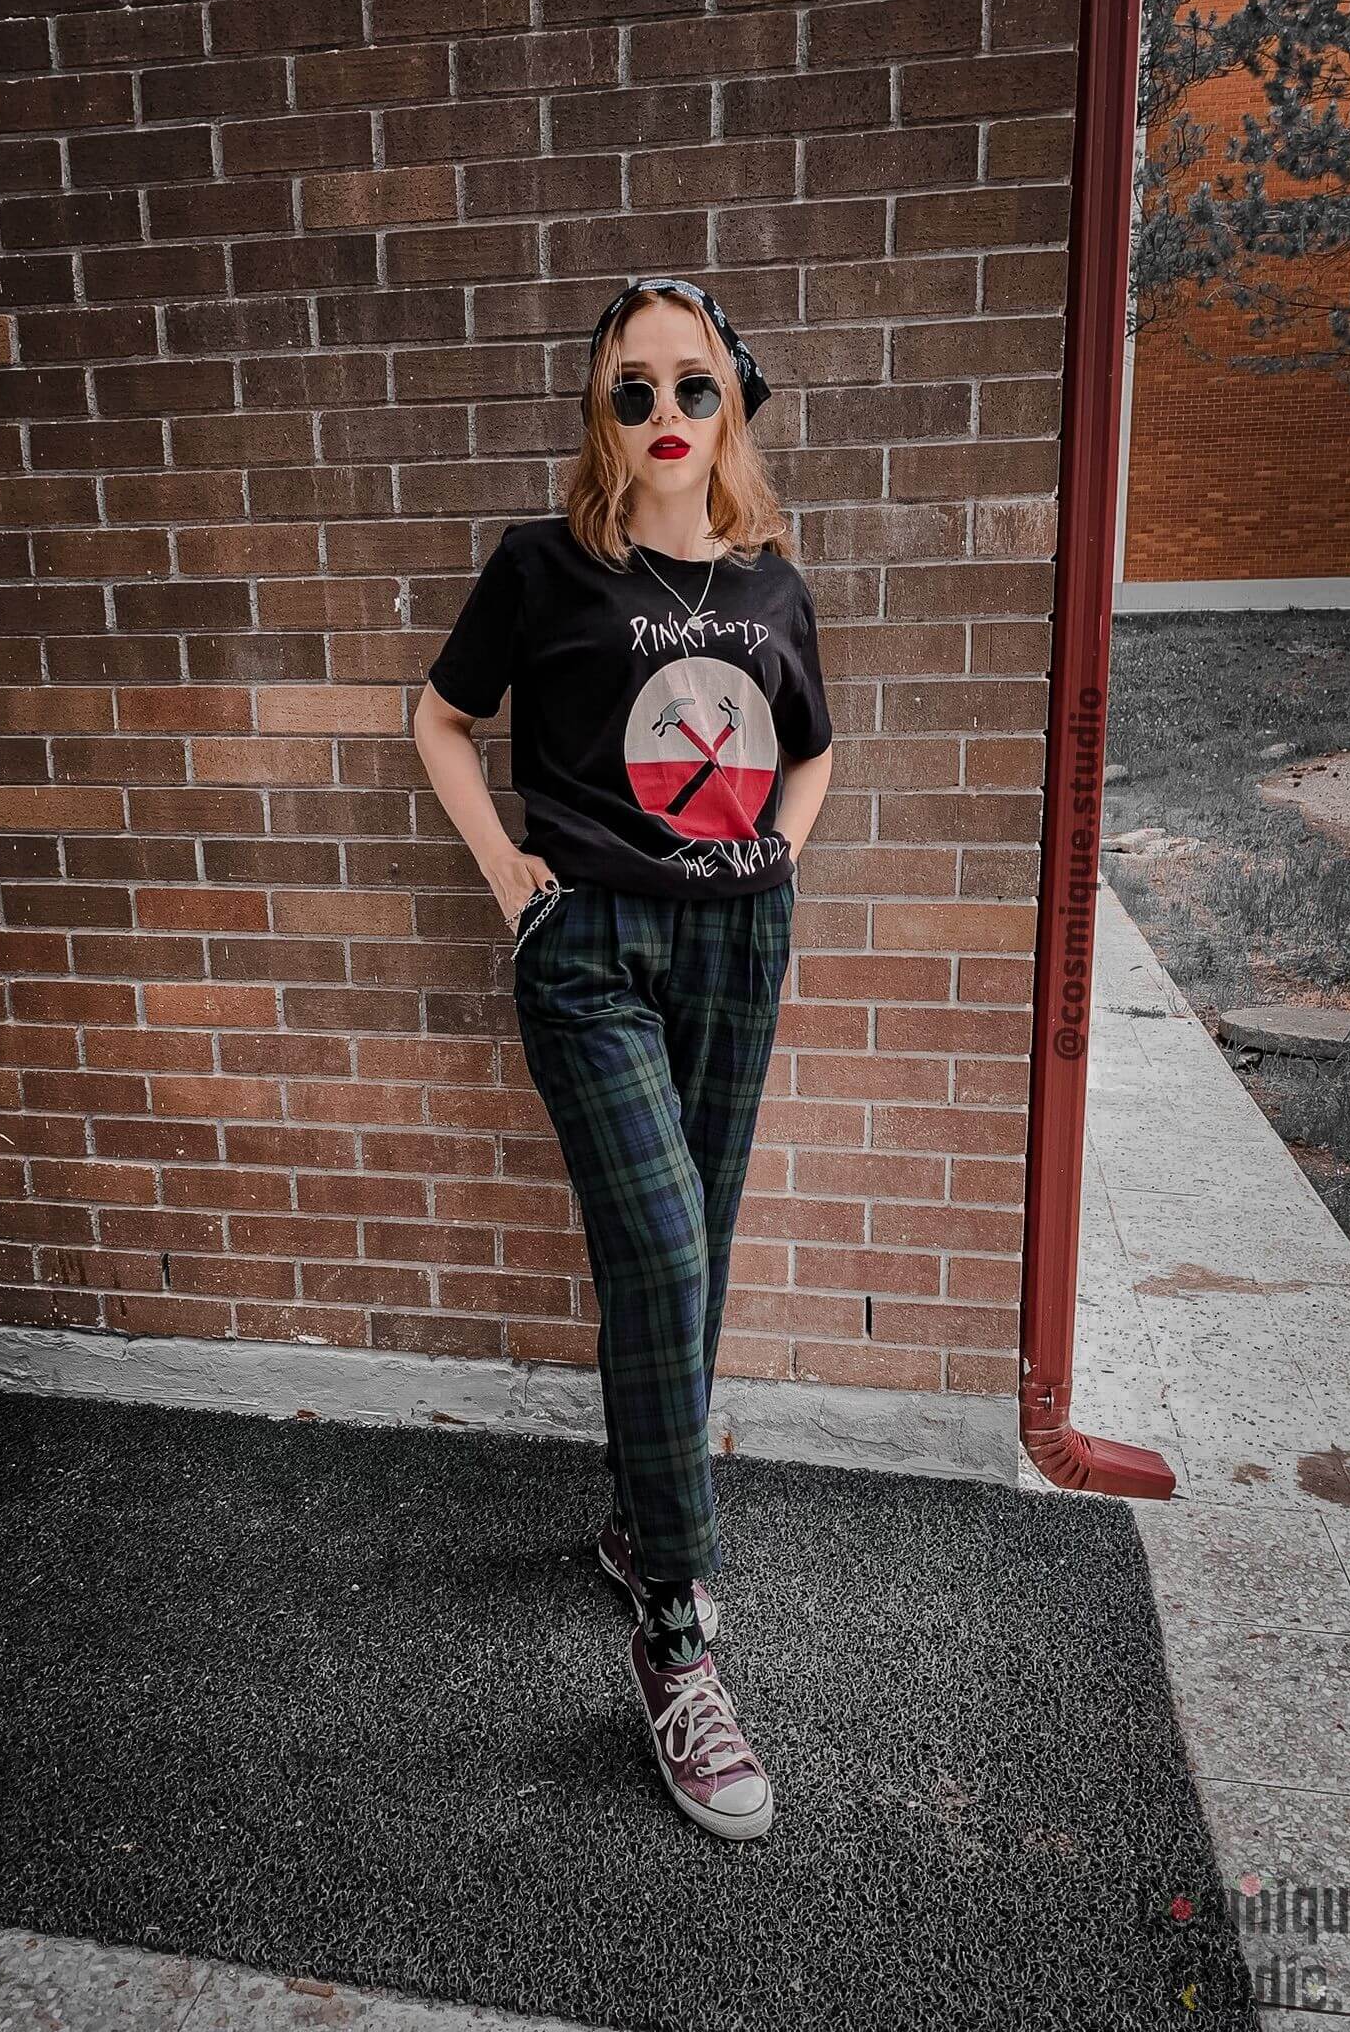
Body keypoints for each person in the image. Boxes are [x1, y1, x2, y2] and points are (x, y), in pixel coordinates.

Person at [413, 275, 834, 1843]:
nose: (665, 416)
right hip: (587, 950)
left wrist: (776, 862)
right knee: (659, 1254)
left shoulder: (775, 589)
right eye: (632, 391)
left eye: (694, 388)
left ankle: (629, 1512)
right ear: (599, 413)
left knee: (697, 1258)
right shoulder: (541, 566)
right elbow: (441, 722)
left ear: (736, 406)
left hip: (736, 948)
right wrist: (510, 877)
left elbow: (813, 748)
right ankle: (674, 1623)